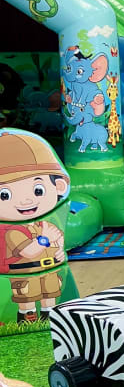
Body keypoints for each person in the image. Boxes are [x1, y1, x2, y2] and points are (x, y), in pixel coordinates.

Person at [0, 131, 69, 323]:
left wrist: (59, 251)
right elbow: (28, 252)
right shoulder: (13, 231)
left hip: (51, 269)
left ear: (59, 187)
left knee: (51, 296)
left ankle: (52, 319)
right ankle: (27, 320)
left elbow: (58, 240)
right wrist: (45, 239)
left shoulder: (43, 224)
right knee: (27, 298)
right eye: (5, 195)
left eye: (38, 190)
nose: (26, 200)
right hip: (25, 272)